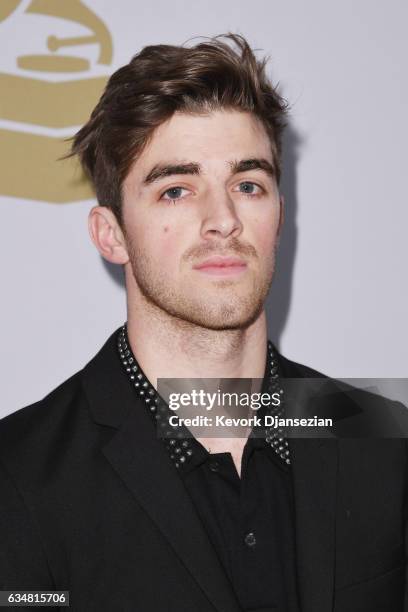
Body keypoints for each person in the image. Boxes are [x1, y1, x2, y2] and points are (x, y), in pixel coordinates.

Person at [0, 34, 406, 612]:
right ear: (111, 234)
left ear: (279, 216)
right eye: (175, 190)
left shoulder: (384, 443)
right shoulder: (19, 479)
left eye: (247, 185)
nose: (223, 220)